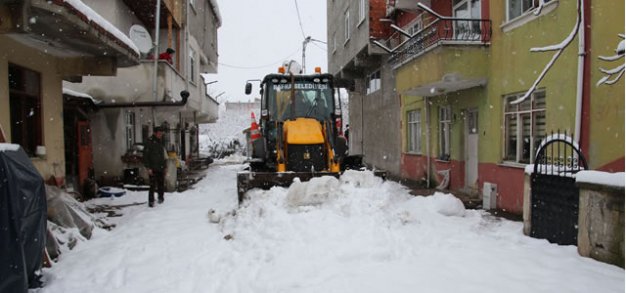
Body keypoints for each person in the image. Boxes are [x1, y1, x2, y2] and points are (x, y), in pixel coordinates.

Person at [143, 126, 168, 207]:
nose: (160, 135)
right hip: (152, 167)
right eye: (159, 133)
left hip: (160, 167)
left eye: (161, 134)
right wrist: (148, 167)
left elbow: (163, 155)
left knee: (161, 184)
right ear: (155, 133)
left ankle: (161, 198)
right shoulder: (149, 142)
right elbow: (145, 156)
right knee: (152, 185)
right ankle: (151, 201)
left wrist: (165, 167)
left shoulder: (161, 142)